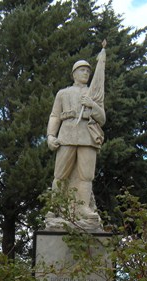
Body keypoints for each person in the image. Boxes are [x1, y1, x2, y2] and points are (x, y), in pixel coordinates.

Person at [47, 59, 105, 222]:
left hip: (88, 136)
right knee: (60, 174)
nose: (86, 73)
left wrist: (92, 104)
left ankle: (83, 208)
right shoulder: (63, 93)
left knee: (86, 175)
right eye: (82, 70)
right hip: (67, 135)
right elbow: (55, 115)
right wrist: (51, 135)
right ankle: (56, 206)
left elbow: (102, 118)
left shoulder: (93, 93)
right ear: (74, 74)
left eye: (88, 71)